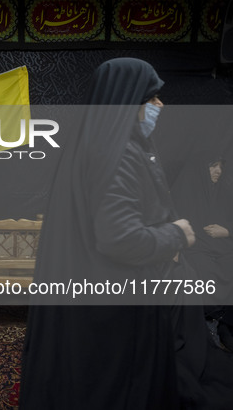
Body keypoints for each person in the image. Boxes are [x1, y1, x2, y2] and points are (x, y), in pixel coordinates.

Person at [20, 58, 198, 409]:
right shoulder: (118, 155)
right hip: (117, 310)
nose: (160, 106)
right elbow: (121, 239)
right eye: (152, 97)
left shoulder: (89, 146)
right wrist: (177, 235)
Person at [171, 154, 233, 351]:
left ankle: (224, 323)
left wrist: (228, 231)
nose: (219, 171)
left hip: (221, 248)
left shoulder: (223, 192)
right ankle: (210, 324)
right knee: (202, 269)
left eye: (221, 167)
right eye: (213, 166)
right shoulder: (184, 192)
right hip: (196, 248)